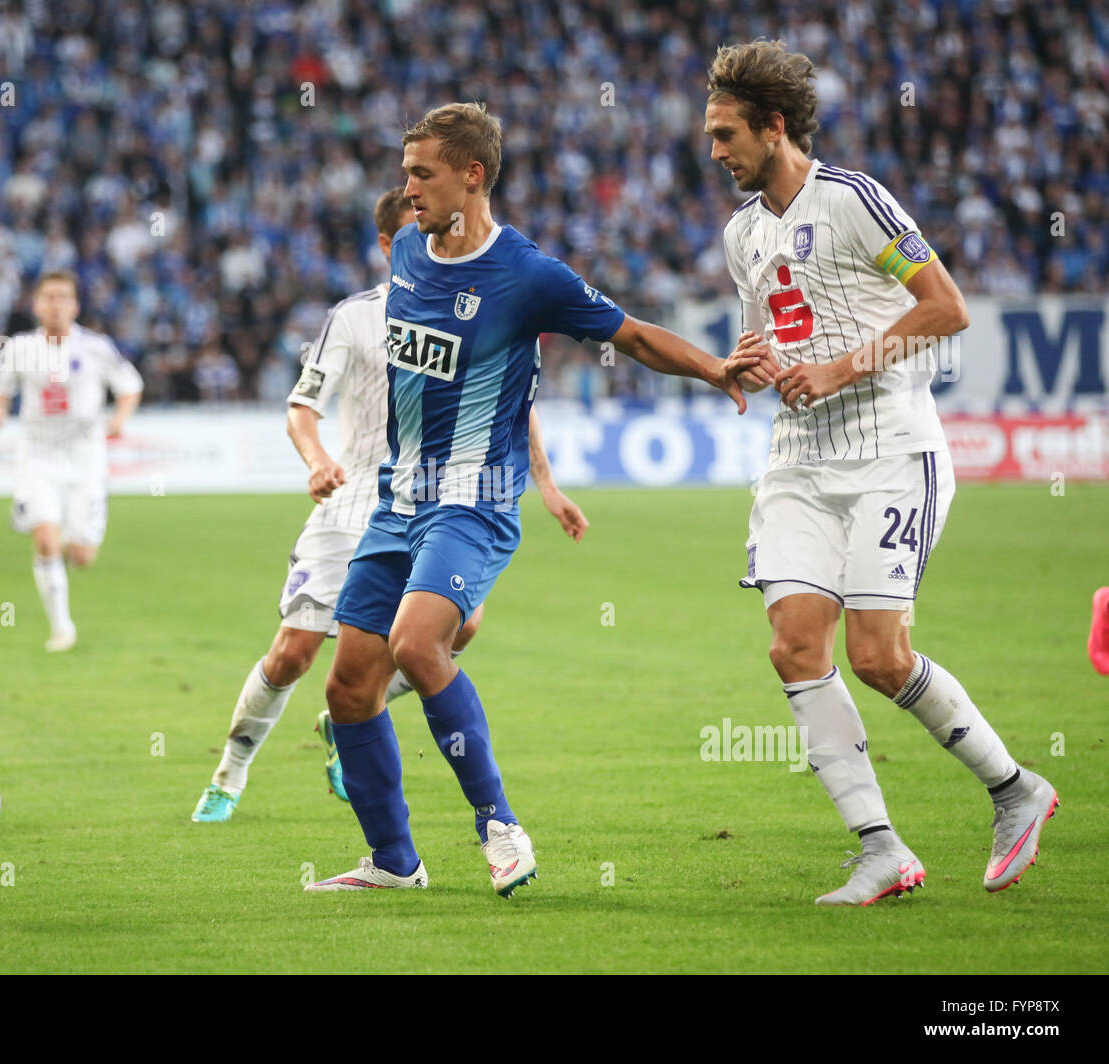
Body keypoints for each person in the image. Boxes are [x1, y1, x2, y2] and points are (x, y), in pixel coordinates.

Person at [305, 102, 770, 896]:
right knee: (347, 687)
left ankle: (499, 825)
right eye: (405, 172)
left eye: (422, 173)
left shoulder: (527, 275)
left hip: (475, 500)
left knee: (418, 647)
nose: (406, 188)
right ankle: (392, 862)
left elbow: (631, 335)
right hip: (397, 500)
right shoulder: (411, 250)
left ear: (472, 175)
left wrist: (715, 368)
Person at [705, 39, 1058, 905]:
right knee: (793, 647)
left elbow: (946, 307)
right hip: (798, 462)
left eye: (726, 135)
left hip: (890, 449)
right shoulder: (742, 232)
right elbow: (766, 333)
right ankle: (881, 849)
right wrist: (749, 362)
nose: (715, 152)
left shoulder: (855, 199)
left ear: (774, 127)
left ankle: (1015, 790)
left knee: (877, 655)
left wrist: (837, 369)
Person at [191, 187, 589, 823]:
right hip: (354, 505)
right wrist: (318, 461)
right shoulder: (353, 318)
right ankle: (231, 770)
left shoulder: (479, 303)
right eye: (417, 228)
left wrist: (546, 484)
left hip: (437, 505)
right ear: (388, 244)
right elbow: (302, 407)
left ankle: (352, 713)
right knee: (294, 653)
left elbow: (515, 405)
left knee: (458, 627)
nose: (437, 239)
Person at [0, 271, 143, 652]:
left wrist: (120, 419)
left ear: (75, 305)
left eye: (63, 297)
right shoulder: (20, 348)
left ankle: (66, 550)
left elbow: (130, 386)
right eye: (49, 297)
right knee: (44, 538)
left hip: (86, 458)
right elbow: (0, 391)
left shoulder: (96, 347)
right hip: (37, 456)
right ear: (36, 304)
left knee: (83, 556)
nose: (56, 304)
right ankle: (62, 628)